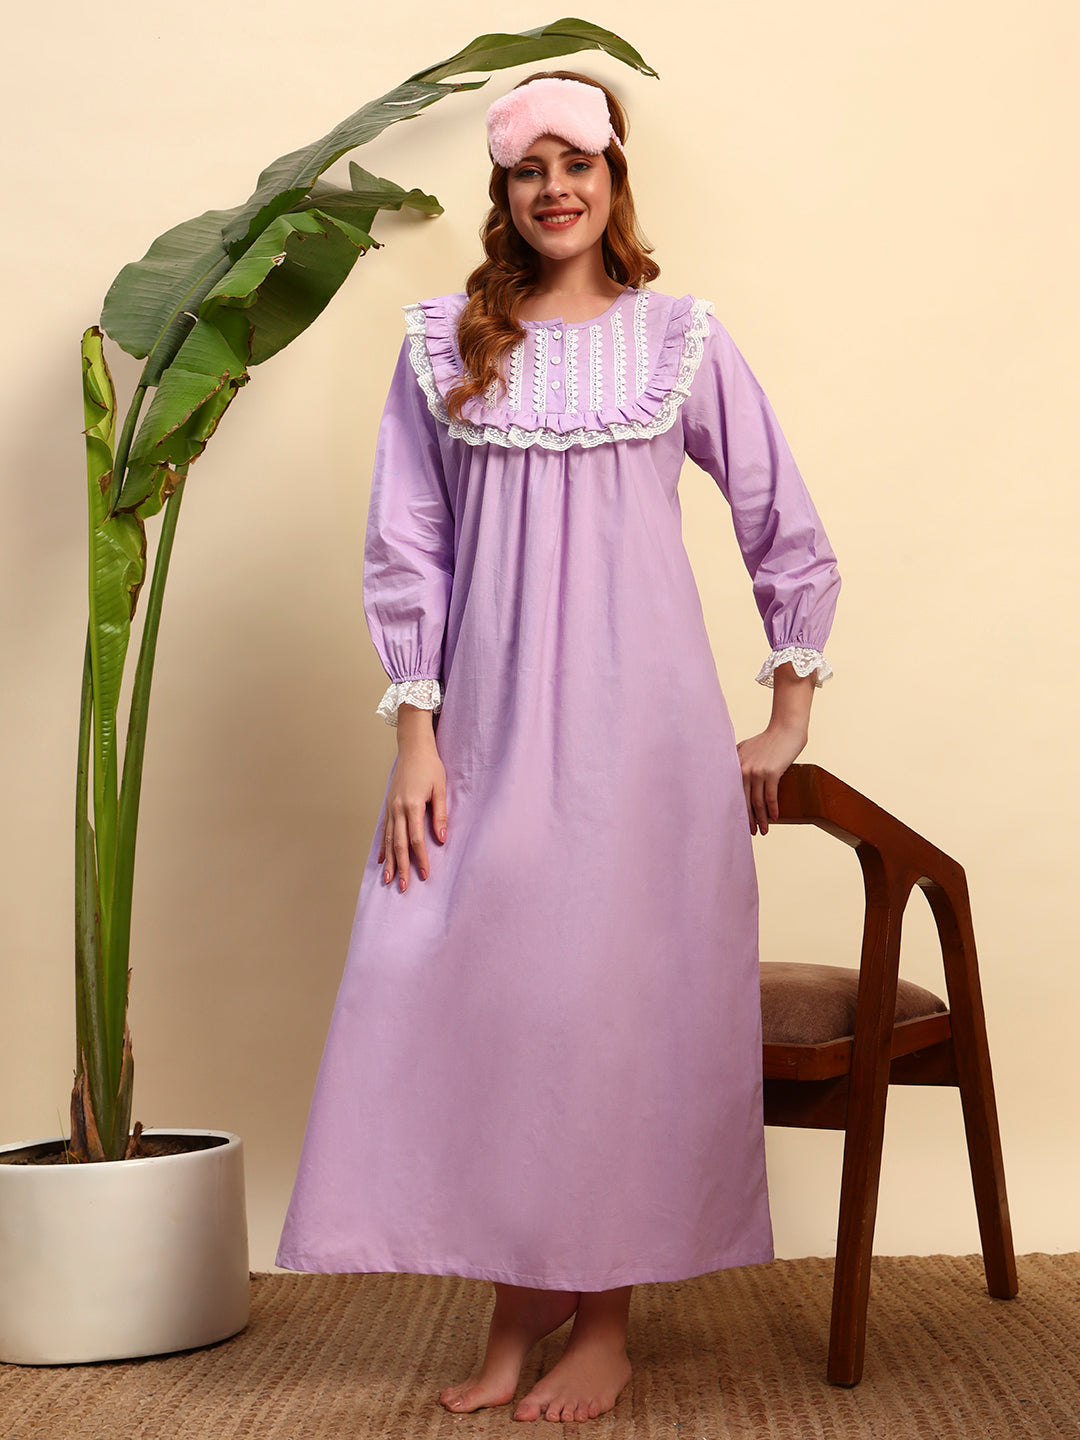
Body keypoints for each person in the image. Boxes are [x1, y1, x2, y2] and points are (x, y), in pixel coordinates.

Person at [276, 70, 841, 1424]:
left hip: (645, 741)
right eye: (529, 169)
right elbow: (407, 547)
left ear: (613, 177)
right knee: (491, 998)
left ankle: (605, 1323)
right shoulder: (442, 345)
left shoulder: (679, 339)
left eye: (576, 162)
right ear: (504, 192)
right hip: (489, 728)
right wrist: (417, 740)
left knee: (611, 1015)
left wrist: (787, 718)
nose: (555, 189)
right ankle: (516, 1301)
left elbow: (783, 523)